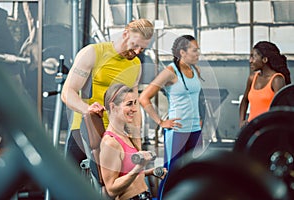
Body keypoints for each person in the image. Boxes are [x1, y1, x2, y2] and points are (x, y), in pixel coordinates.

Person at [61, 19, 154, 174]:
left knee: (115, 189)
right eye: (135, 45)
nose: (138, 51)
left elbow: (134, 106)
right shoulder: (93, 52)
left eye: (142, 49)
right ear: (125, 34)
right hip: (86, 130)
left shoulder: (135, 65)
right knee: (67, 185)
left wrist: (137, 144)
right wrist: (88, 109)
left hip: (117, 135)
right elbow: (68, 92)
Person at [139, 35, 203, 199]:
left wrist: (200, 116)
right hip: (177, 131)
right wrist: (160, 121)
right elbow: (144, 97)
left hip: (195, 130)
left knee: (191, 173)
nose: (198, 53)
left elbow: (197, 97)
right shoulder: (170, 71)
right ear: (182, 52)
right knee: (171, 173)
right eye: (194, 50)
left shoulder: (194, 69)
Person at [100, 83, 166, 200]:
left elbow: (127, 174)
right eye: (129, 104)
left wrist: (150, 171)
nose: (134, 109)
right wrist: (139, 167)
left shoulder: (124, 136)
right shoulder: (110, 143)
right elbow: (111, 189)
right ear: (113, 107)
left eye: (135, 104)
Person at [239, 41, 291, 128]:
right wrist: (242, 121)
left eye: (253, 57)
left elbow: (281, 110)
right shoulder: (252, 78)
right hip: (252, 130)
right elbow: (244, 100)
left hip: (268, 131)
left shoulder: (277, 80)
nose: (250, 60)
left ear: (265, 60)